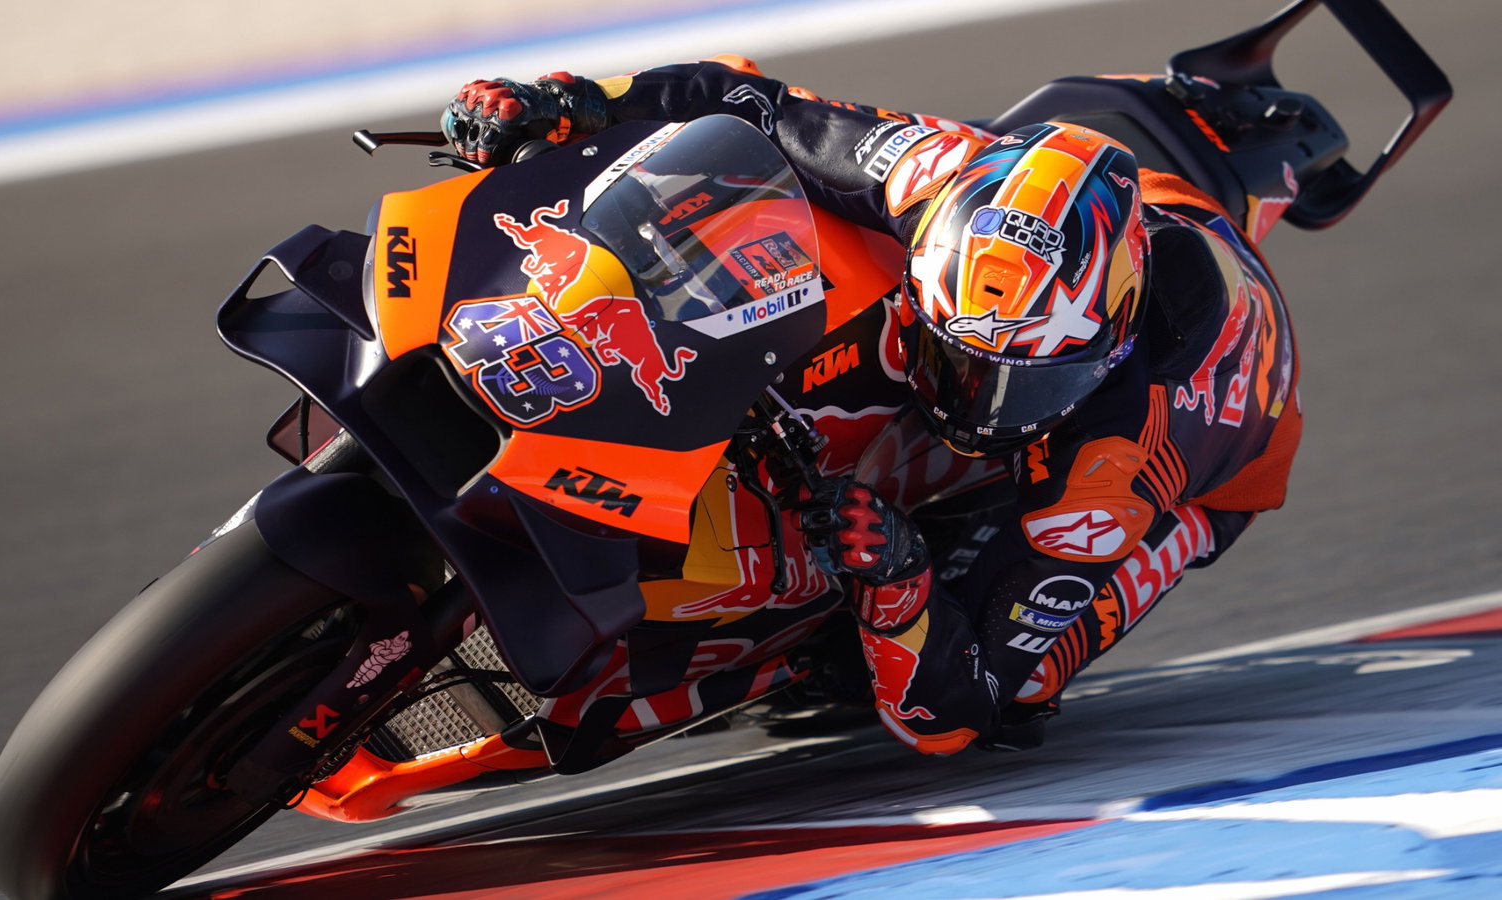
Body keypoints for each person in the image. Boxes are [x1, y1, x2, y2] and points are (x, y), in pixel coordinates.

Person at [440, 57, 1302, 754]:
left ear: (1105, 347)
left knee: (1002, 676)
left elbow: (964, 706)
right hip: (1063, 226)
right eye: (962, 362)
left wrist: (900, 587)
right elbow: (744, 101)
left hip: (1206, 470)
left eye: (1022, 384)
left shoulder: (1118, 464)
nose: (984, 408)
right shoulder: (934, 179)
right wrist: (573, 100)